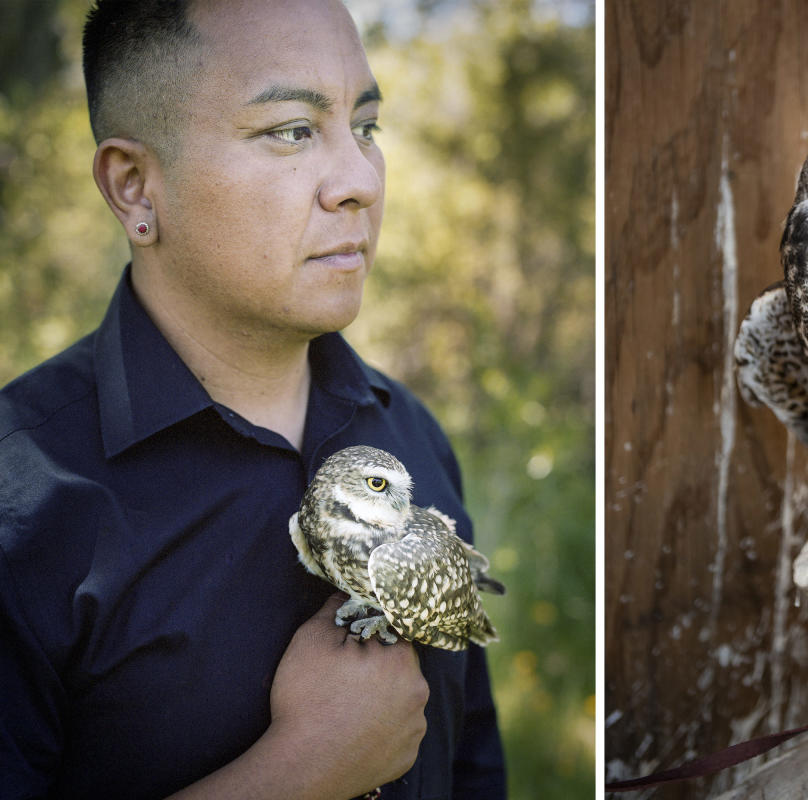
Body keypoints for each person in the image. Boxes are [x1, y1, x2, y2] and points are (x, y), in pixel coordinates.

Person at [0, 0, 506, 797]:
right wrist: (299, 769)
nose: (359, 183)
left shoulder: (410, 437)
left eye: (365, 127)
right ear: (135, 188)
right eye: (292, 131)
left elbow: (474, 766)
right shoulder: (19, 510)